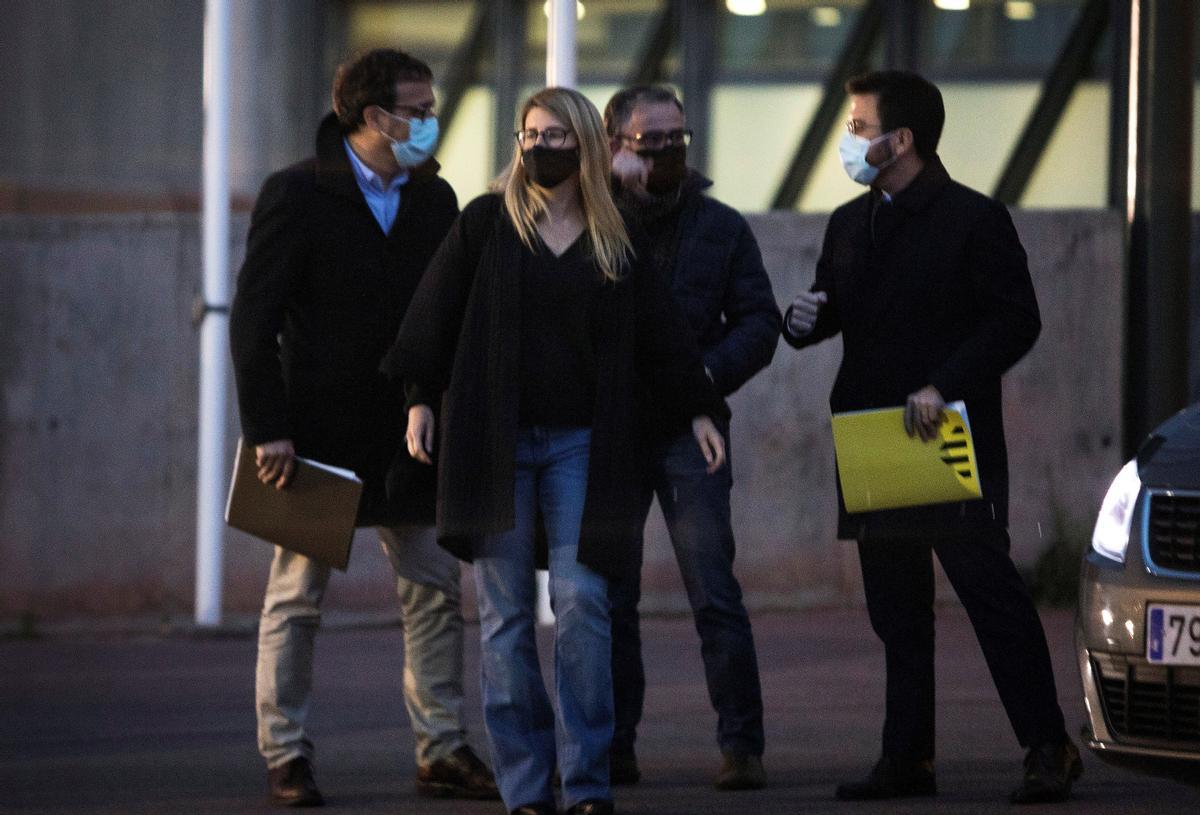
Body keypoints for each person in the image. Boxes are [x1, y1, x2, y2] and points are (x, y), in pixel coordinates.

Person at [383, 86, 728, 815]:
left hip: (583, 445)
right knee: (506, 619)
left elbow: (661, 336)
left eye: (555, 136)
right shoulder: (486, 223)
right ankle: (527, 788)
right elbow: (433, 316)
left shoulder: (615, 233)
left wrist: (699, 408)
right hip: (493, 443)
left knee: (582, 601)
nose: (541, 148)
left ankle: (589, 782)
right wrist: (419, 399)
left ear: (584, 145)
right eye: (530, 135)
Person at [782, 70, 1080, 805]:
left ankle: (1049, 747)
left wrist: (943, 384)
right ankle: (907, 756)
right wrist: (807, 319)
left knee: (988, 591)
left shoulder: (972, 219)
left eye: (859, 127)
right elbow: (837, 303)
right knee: (896, 606)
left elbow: (1016, 319)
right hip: (873, 434)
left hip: (945, 433)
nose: (850, 141)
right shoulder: (851, 223)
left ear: (902, 139)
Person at [229, 48, 497, 807]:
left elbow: (445, 313)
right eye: (418, 107)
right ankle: (286, 753)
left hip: (412, 435)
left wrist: (437, 400)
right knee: (297, 597)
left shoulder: (435, 199)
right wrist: (267, 428)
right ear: (374, 117)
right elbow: (253, 321)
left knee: (434, 592)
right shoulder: (297, 193)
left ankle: (441, 747)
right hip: (313, 438)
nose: (429, 118)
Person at [601, 85, 780, 790]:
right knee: (610, 598)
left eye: (678, 137)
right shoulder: (589, 220)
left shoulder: (722, 227)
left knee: (714, 590)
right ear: (615, 144)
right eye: (651, 140)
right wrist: (606, 194)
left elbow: (759, 323)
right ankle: (614, 744)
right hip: (610, 432)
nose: (668, 151)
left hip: (689, 429)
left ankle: (743, 745)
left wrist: (702, 383)